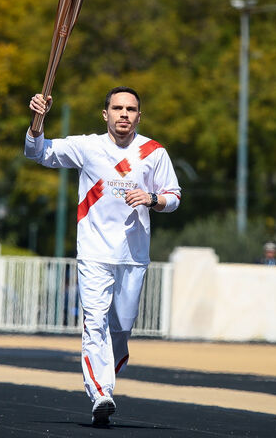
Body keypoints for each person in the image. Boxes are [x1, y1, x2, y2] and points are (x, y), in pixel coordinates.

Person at [25, 87, 181, 426]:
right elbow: (37, 152)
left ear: (139, 115)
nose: (124, 114)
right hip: (94, 252)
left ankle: (104, 381)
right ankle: (101, 393)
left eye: (131, 109)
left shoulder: (154, 152)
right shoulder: (87, 147)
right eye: (117, 108)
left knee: (121, 328)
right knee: (94, 322)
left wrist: (152, 198)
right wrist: (38, 120)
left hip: (133, 255)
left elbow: (174, 196)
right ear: (105, 113)